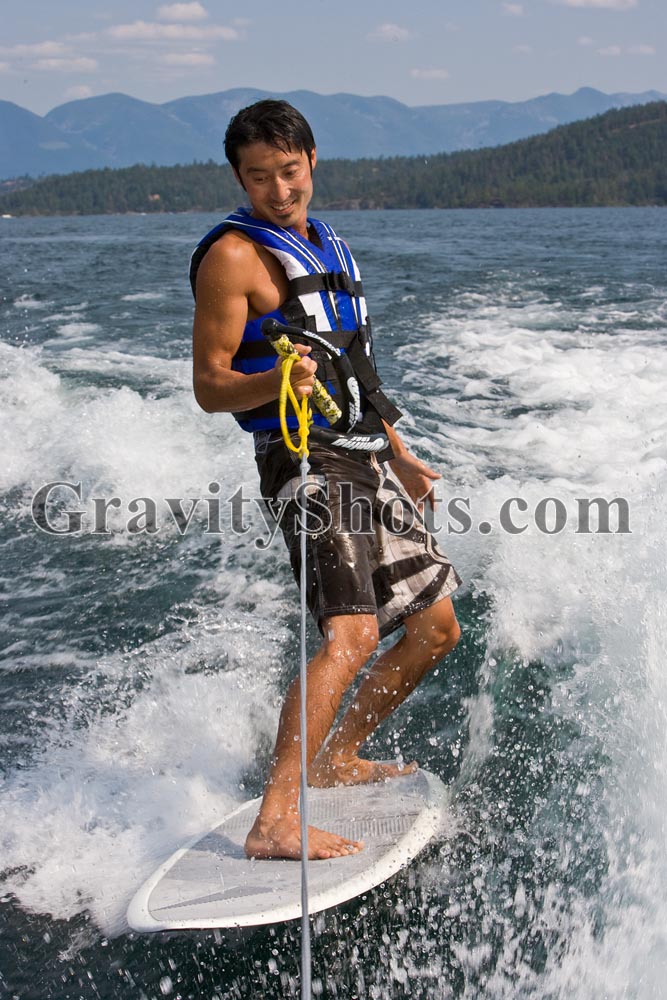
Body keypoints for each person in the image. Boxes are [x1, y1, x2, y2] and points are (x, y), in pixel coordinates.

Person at [191, 99, 461, 862]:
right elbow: (209, 386)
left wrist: (397, 452)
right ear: (238, 179)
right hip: (302, 458)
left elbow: (355, 367)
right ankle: (275, 820)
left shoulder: (327, 244)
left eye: (288, 171)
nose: (278, 191)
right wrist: (274, 380)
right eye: (258, 177)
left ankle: (336, 757)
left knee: (436, 629)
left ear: (311, 159)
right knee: (352, 635)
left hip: (364, 452)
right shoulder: (233, 258)